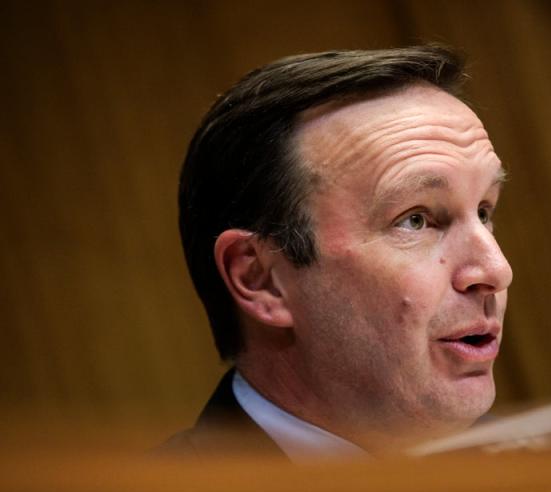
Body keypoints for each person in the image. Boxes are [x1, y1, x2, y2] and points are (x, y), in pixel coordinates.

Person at [156, 46, 512, 462]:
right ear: (263, 280)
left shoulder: (543, 474)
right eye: (415, 220)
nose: (495, 269)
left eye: (484, 211)